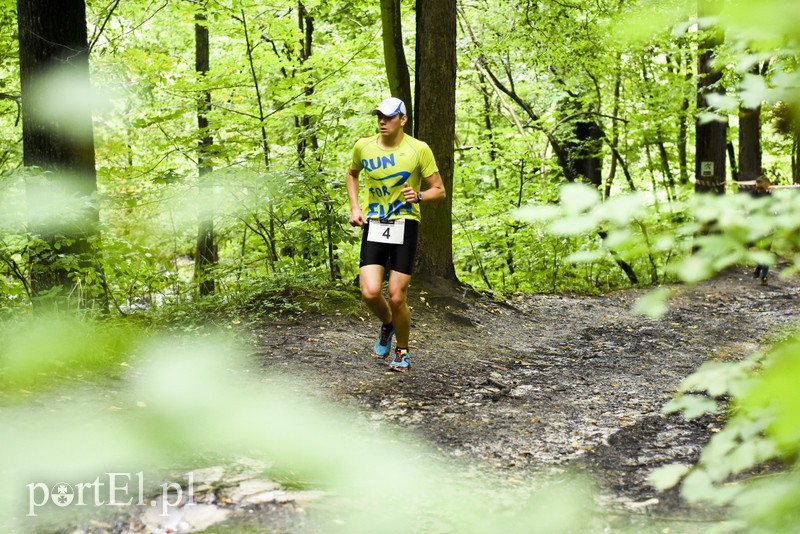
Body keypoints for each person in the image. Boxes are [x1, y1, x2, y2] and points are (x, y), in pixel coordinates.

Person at [345, 97, 446, 372]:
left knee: (397, 295)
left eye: (388, 117)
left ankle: (402, 351)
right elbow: (352, 174)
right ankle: (387, 324)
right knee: (369, 293)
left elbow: (439, 189)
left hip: (405, 222)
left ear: (403, 119)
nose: (382, 121)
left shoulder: (418, 149)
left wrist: (420, 195)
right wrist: (355, 207)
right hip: (375, 223)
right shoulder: (363, 147)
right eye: (379, 116)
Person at [750, 176, 772, 285]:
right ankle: (759, 264)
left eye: (761, 188)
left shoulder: (772, 197)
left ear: (767, 186)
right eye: (757, 188)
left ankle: (764, 277)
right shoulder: (752, 194)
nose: (759, 190)